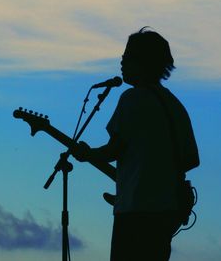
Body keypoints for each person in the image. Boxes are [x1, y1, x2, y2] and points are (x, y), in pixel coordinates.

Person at [71, 27, 200, 261]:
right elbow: (191, 159)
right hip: (165, 215)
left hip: (135, 213)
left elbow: (114, 149)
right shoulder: (175, 105)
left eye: (127, 57)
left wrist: (88, 154)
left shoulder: (132, 98)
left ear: (143, 62)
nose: (121, 62)